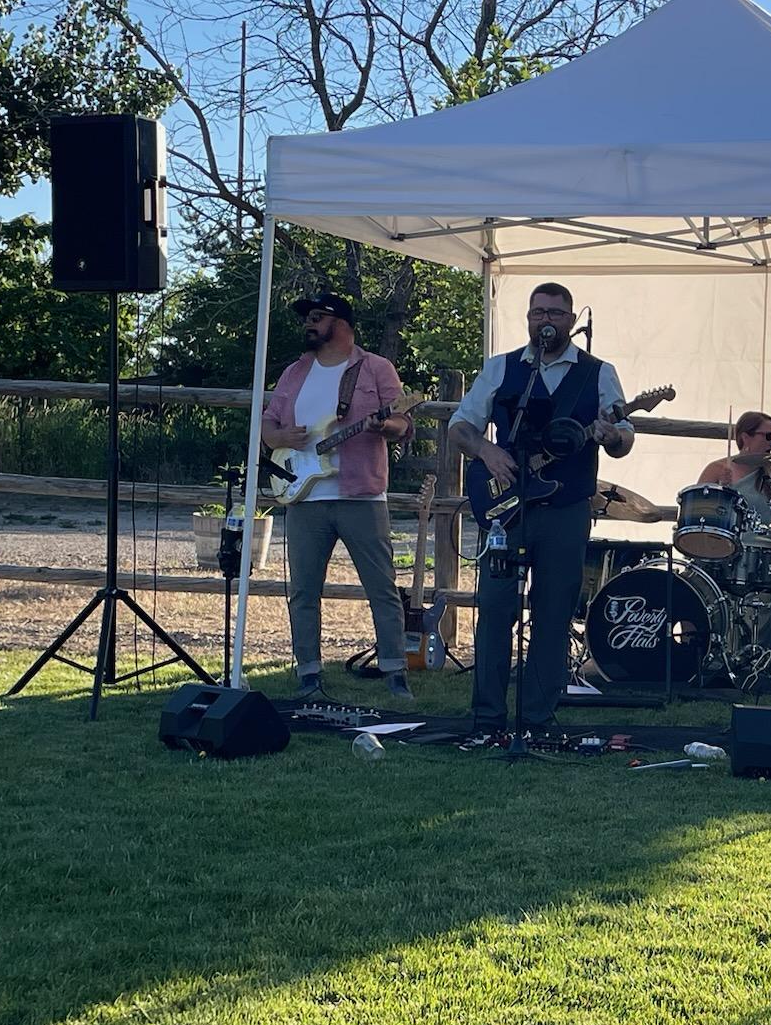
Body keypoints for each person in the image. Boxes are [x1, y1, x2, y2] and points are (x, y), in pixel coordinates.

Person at [449, 282, 635, 739]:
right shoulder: (502, 367)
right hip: (507, 507)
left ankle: (537, 719)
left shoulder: (598, 373)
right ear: (529, 319)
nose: (545, 320)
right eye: (538, 313)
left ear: (570, 321)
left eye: (554, 313)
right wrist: (488, 451)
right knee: (495, 609)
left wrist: (613, 435)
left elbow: (624, 436)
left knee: (553, 613)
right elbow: (460, 426)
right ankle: (487, 718)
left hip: (566, 508)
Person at [261, 291, 415, 700]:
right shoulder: (295, 372)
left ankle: (395, 670)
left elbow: (402, 422)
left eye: (317, 317)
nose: (308, 324)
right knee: (303, 591)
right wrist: (280, 437)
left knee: (381, 586)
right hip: (303, 496)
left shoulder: (376, 368)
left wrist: (385, 426)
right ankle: (308, 672)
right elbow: (267, 424)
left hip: (361, 494)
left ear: (341, 324)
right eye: (307, 318)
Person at [695, 411, 771, 660]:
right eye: (767, 436)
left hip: (766, 548)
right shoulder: (717, 470)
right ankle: (695, 648)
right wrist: (720, 490)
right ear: (745, 437)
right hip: (723, 547)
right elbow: (699, 513)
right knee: (692, 577)